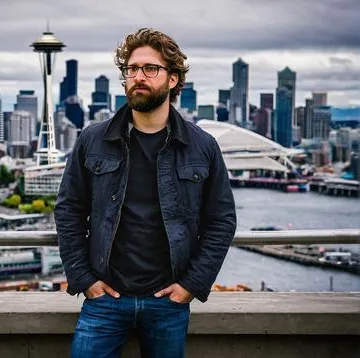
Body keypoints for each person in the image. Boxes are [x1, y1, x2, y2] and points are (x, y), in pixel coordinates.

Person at [54, 27, 237, 358]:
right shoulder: (92, 140)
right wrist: (84, 279)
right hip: (104, 300)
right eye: (131, 69)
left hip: (168, 302)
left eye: (150, 69)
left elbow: (222, 220)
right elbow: (68, 210)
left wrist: (190, 286)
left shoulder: (202, 147)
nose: (138, 76)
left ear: (172, 79)